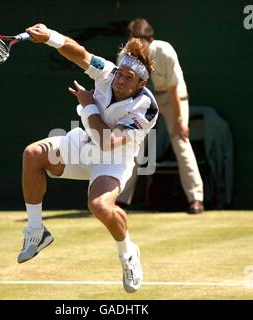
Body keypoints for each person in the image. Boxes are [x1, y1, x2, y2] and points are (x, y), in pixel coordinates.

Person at [18, 23, 158, 293]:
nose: (120, 80)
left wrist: (88, 106)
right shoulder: (108, 72)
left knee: (99, 206)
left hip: (114, 159)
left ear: (141, 83)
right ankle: (36, 231)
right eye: (121, 74)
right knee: (33, 154)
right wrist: (50, 36)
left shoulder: (146, 107)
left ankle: (128, 253)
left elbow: (107, 143)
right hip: (83, 144)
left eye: (129, 78)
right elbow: (79, 53)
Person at [117, 18, 204, 214]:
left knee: (180, 141)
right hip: (143, 100)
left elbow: (174, 87)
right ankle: (121, 200)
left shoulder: (165, 51)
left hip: (172, 97)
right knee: (134, 145)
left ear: (150, 39)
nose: (137, 47)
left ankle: (196, 199)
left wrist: (180, 120)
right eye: (133, 42)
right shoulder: (126, 55)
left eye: (140, 41)